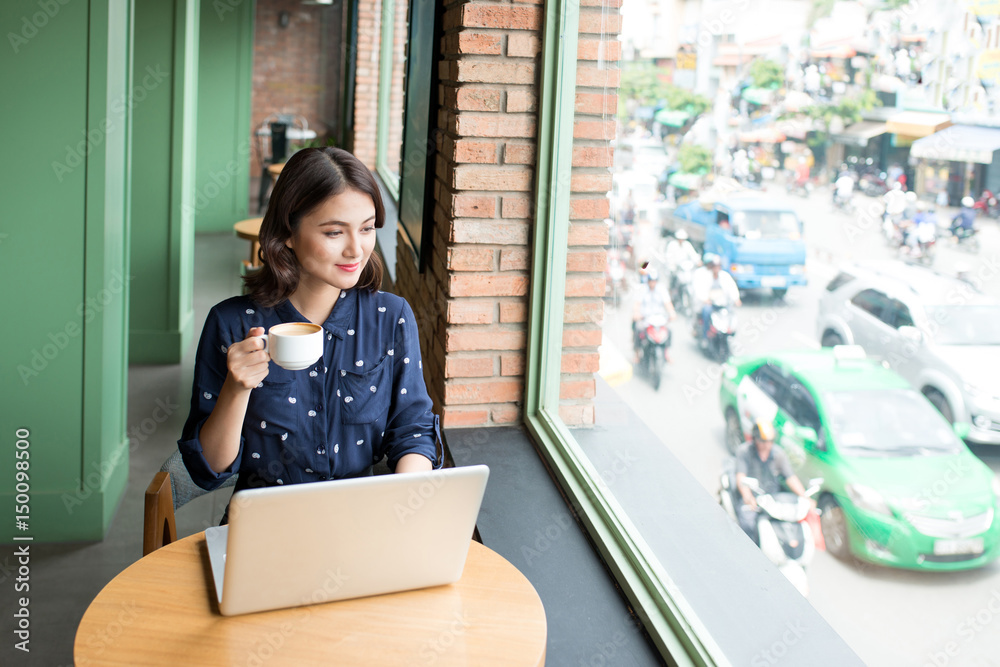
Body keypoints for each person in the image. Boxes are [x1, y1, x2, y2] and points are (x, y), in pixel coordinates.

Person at [178, 147, 439, 517]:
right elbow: (209, 470)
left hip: (363, 521)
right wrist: (237, 390)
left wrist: (402, 505)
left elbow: (413, 429)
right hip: (264, 526)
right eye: (334, 232)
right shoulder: (231, 323)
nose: (356, 249)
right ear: (287, 233)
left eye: (366, 229)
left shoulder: (390, 316)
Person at [734, 420, 814, 544]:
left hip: (772, 499)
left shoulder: (778, 454)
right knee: (748, 524)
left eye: (770, 441)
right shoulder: (744, 452)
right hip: (753, 500)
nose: (767, 445)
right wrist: (747, 497)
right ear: (755, 439)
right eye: (763, 441)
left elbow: (790, 477)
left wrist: (804, 497)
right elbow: (741, 477)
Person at [692, 254, 741, 341]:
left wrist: (736, 299)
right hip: (711, 304)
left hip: (722, 303)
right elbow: (700, 289)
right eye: (714, 266)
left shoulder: (725, 276)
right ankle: (705, 335)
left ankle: (729, 331)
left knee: (730, 313)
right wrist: (705, 299)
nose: (716, 268)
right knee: (706, 312)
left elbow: (732, 287)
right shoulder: (705, 276)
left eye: (718, 266)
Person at [632, 269, 676, 363]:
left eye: (654, 281)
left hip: (659, 319)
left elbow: (667, 303)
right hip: (646, 319)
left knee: (669, 331)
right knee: (638, 328)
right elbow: (637, 304)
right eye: (651, 281)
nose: (652, 283)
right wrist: (636, 313)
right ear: (648, 281)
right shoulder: (642, 289)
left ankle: (666, 353)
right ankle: (637, 353)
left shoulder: (662, 290)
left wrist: (672, 312)